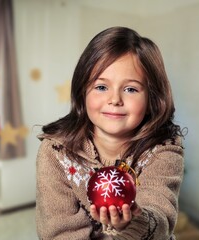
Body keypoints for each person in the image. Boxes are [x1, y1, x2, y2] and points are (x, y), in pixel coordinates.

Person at [36, 26, 185, 239]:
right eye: (101, 87)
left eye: (131, 89)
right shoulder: (56, 152)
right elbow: (59, 232)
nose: (115, 100)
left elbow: (161, 219)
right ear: (82, 91)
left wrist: (135, 222)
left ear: (152, 99)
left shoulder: (163, 150)